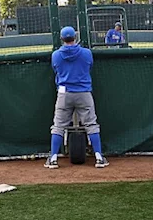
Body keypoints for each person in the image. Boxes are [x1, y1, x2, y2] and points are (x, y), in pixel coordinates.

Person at [46, 26, 108, 169]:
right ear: (75, 37)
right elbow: (89, 67)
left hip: (64, 93)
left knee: (58, 126)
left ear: (62, 39)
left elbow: (56, 70)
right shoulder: (86, 53)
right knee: (91, 124)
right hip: (83, 92)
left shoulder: (56, 55)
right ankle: (99, 157)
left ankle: (53, 158)